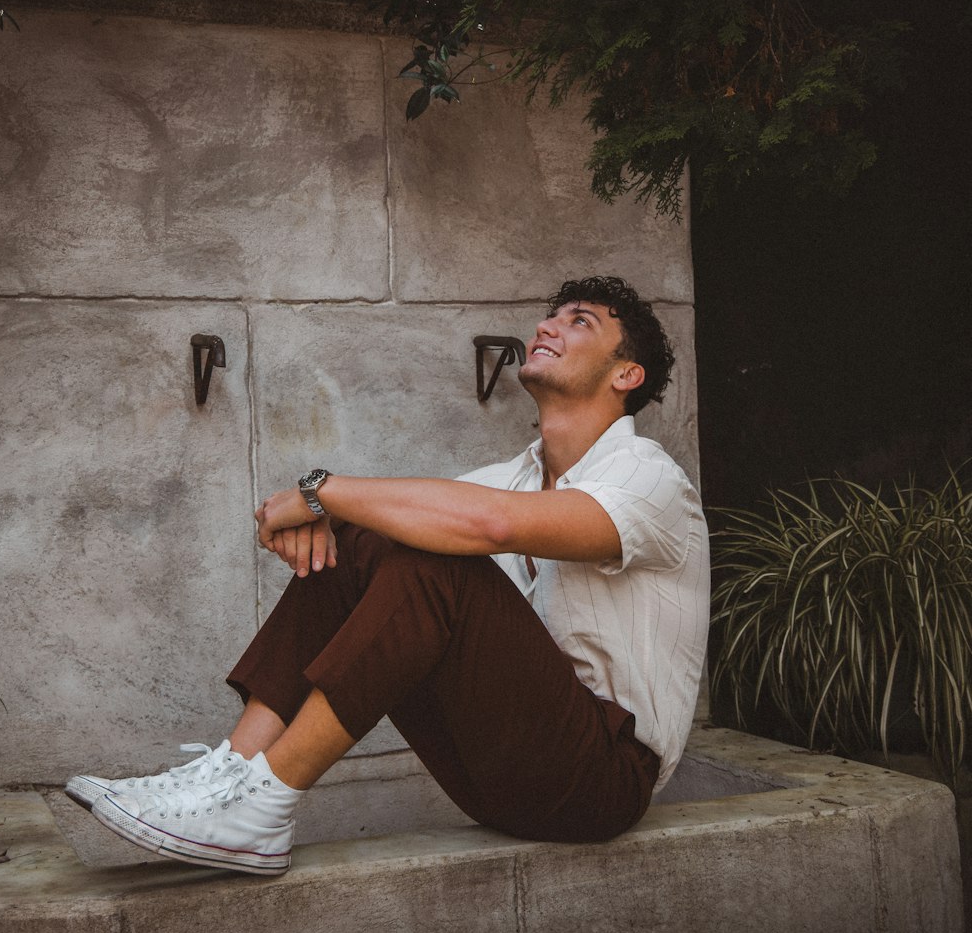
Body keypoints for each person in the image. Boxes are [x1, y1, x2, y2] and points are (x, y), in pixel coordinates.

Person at [68, 275, 710, 875]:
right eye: (550, 315)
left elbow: (492, 527)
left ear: (627, 374)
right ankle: (232, 773)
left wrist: (320, 492)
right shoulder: (507, 478)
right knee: (380, 537)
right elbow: (430, 524)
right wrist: (336, 517)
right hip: (491, 772)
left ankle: (265, 801)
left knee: (433, 553)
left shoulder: (651, 479)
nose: (547, 326)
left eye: (580, 322)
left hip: (601, 780)